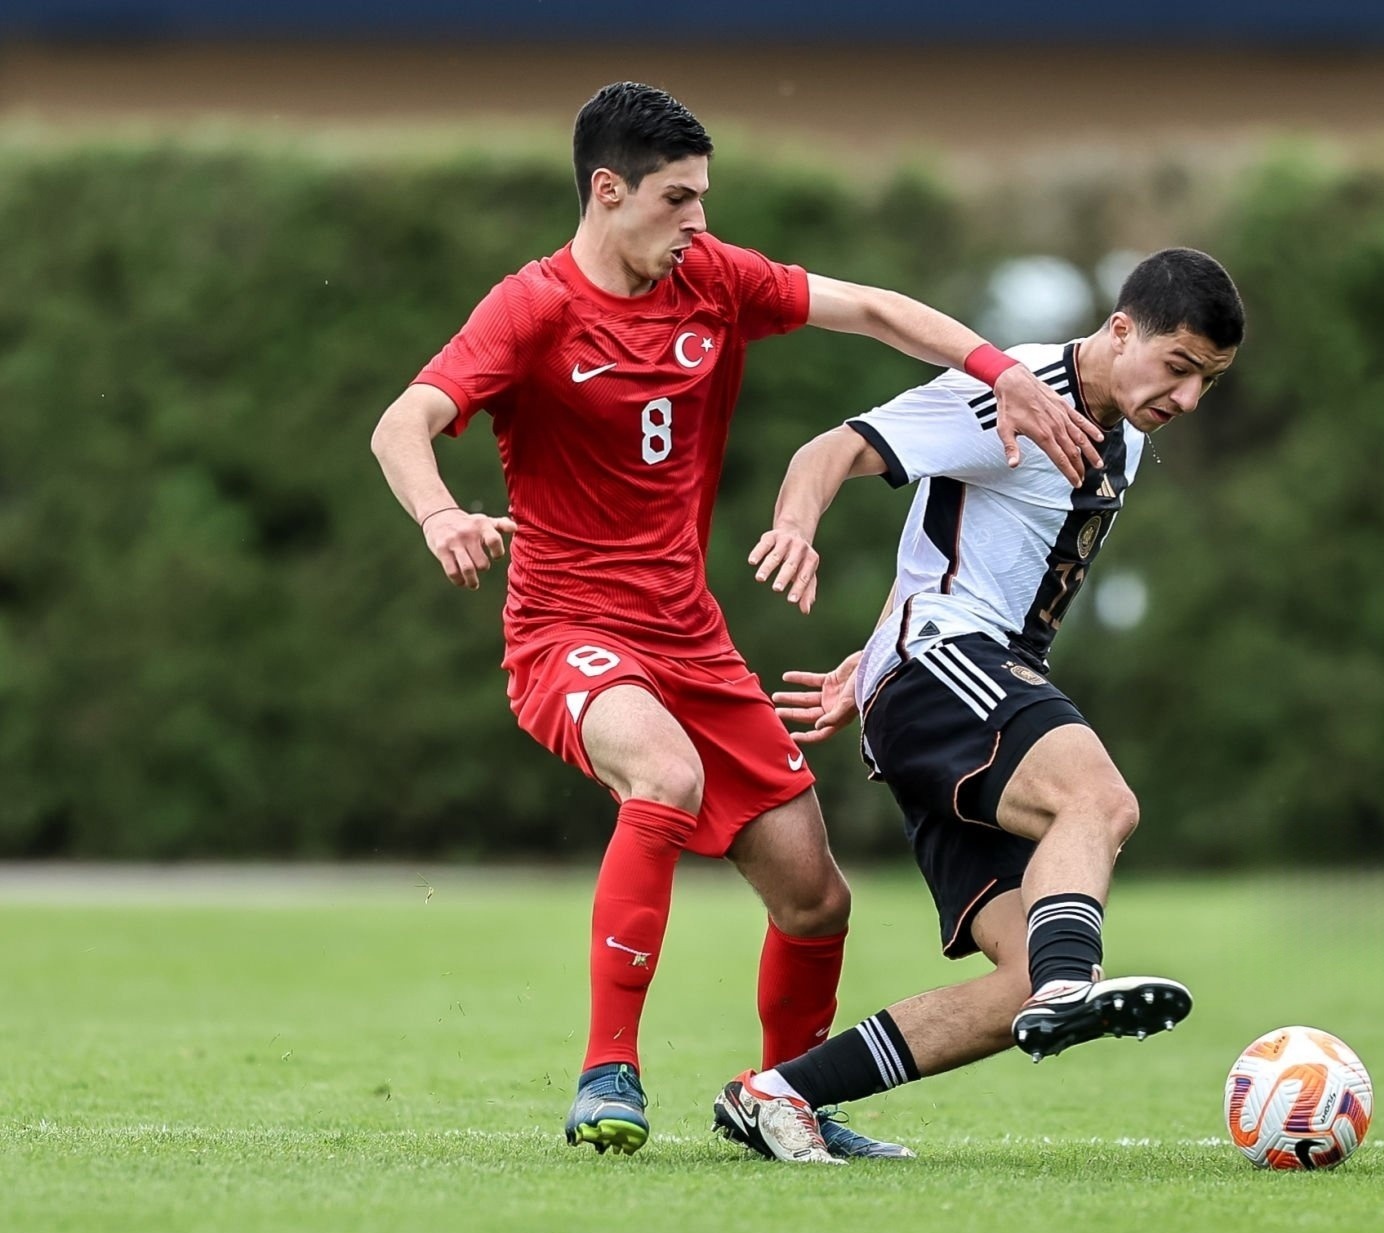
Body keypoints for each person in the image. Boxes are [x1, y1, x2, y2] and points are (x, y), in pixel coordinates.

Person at [367, 81, 1102, 1160]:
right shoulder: (532, 307)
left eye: (704, 198)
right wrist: (438, 512)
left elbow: (875, 310)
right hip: (566, 634)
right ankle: (607, 1072)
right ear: (607, 192)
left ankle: (783, 1102)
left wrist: (1004, 375)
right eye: (676, 200)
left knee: (815, 899)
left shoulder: (709, 279)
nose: (698, 223)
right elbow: (404, 423)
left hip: (691, 642)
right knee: (660, 779)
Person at [710, 248, 1244, 1163]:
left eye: (1207, 383)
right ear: (1121, 330)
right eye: (1178, 368)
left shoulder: (1129, 435)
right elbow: (828, 450)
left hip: (945, 673)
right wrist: (794, 529)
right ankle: (1070, 989)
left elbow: (964, 553)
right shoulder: (1016, 391)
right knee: (1100, 802)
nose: (1186, 399)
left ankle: (778, 1093)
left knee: (1019, 983)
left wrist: (867, 657)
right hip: (946, 668)